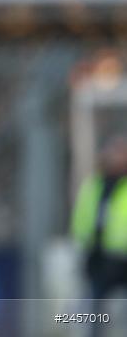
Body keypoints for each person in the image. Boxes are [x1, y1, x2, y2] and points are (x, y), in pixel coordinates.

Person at [71, 136, 127, 334]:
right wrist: (85, 248)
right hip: (101, 258)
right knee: (95, 310)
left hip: (123, 258)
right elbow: (82, 220)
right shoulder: (95, 185)